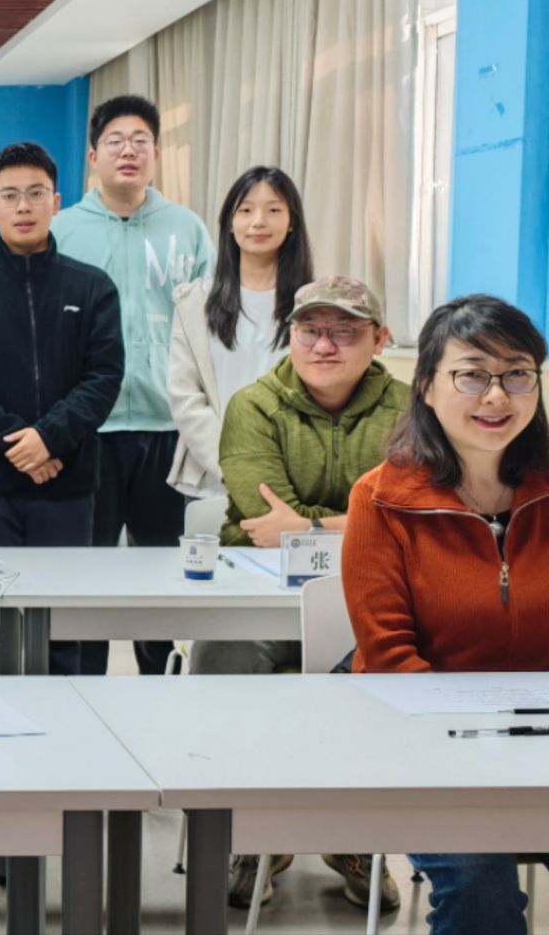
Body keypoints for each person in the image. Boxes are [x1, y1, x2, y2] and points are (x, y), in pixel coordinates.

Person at [346, 295, 549, 934]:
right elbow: (388, 654)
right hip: (428, 747)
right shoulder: (382, 499)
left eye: (517, 374)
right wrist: (471, 741)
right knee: (480, 894)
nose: (497, 396)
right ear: (426, 386)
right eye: (472, 375)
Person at [205, 275, 407, 913]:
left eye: (344, 331)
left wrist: (314, 528)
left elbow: (417, 517)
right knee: (223, 668)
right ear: (290, 335)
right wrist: (364, 522)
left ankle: (355, 837)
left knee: (394, 677)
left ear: (379, 339)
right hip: (259, 595)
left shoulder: (412, 411)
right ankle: (248, 834)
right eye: (311, 330)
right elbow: (264, 520)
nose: (325, 345)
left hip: (371, 593)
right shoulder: (253, 406)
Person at [0, 142, 123, 676]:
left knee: (62, 632)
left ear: (56, 202)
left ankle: (64, 725)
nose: (23, 206)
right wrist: (25, 445)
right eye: (10, 195)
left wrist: (50, 439)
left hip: (67, 491)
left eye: (36, 194)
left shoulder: (93, 287)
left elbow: (103, 379)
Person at [51, 94, 213, 675]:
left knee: (161, 568)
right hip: (87, 431)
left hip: (167, 427)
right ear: (93, 156)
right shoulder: (62, 230)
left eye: (141, 141)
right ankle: (83, 683)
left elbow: (208, 328)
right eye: (115, 141)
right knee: (88, 569)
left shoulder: (186, 230)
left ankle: (160, 684)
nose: (129, 151)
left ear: (157, 154)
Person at [166, 167, 312, 521]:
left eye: (273, 210)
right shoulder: (194, 301)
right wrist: (235, 466)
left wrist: (276, 471)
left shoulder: (314, 304)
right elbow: (185, 395)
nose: (258, 221)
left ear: (292, 222)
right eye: (245, 210)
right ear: (230, 223)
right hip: (213, 477)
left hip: (294, 481)